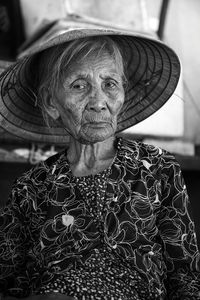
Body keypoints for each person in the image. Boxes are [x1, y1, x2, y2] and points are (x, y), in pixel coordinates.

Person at [0, 15, 200, 300]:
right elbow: (9, 284)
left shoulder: (157, 168)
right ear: (50, 102)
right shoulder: (30, 189)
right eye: (79, 86)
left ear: (122, 94)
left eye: (110, 84)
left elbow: (186, 277)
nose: (98, 101)